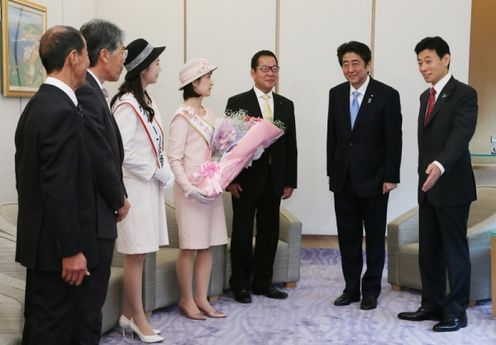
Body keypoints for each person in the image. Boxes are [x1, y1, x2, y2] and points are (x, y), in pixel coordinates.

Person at [14, 25, 94, 345]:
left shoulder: (39, 105)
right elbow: (58, 187)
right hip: (57, 250)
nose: (88, 63)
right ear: (73, 58)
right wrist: (71, 250)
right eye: (87, 55)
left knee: (42, 324)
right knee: (54, 330)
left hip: (43, 244)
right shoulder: (59, 109)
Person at [398, 36, 477, 332]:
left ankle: (456, 312)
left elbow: (460, 136)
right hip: (428, 188)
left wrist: (441, 165)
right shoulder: (425, 97)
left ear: (446, 59)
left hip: (453, 186)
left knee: (454, 250)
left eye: (428, 60)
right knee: (429, 249)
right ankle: (431, 304)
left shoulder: (465, 94)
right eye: (419, 62)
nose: (423, 67)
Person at [326, 41, 402, 310]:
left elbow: (394, 139)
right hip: (343, 180)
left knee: (374, 237)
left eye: (355, 63)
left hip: (375, 180)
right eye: (345, 64)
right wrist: (331, 173)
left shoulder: (387, 95)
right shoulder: (335, 94)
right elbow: (333, 138)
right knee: (347, 237)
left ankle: (371, 290)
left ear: (368, 64)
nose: (350, 69)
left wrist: (391, 176)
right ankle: (351, 288)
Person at [110, 38, 171, 343]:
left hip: (150, 189)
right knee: (134, 256)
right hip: (134, 190)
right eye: (157, 62)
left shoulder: (147, 100)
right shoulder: (125, 105)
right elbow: (123, 151)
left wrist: (164, 167)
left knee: (142, 254)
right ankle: (139, 320)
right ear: (143, 68)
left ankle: (127, 314)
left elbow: (153, 145)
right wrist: (153, 171)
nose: (160, 67)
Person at [225, 50, 297, 304]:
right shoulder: (237, 102)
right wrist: (230, 180)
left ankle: (263, 282)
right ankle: (241, 284)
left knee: (269, 232)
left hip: (274, 180)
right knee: (243, 233)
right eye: (265, 68)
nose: (270, 73)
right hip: (244, 180)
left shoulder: (286, 105)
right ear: (253, 72)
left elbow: (291, 146)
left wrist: (290, 180)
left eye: (274, 68)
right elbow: (228, 145)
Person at [75, 19, 130, 343]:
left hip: (99, 214)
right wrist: (119, 199)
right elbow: (100, 157)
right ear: (105, 54)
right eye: (122, 51)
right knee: (87, 307)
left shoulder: (94, 91)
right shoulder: (86, 93)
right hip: (93, 217)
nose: (125, 59)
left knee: (90, 306)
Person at [168, 58, 228, 320]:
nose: (212, 81)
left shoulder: (211, 114)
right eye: (207, 77)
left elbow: (215, 151)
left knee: (208, 246)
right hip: (191, 193)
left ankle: (202, 298)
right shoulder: (181, 117)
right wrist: (189, 189)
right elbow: (174, 158)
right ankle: (186, 299)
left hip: (210, 191)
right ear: (194, 83)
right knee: (190, 247)